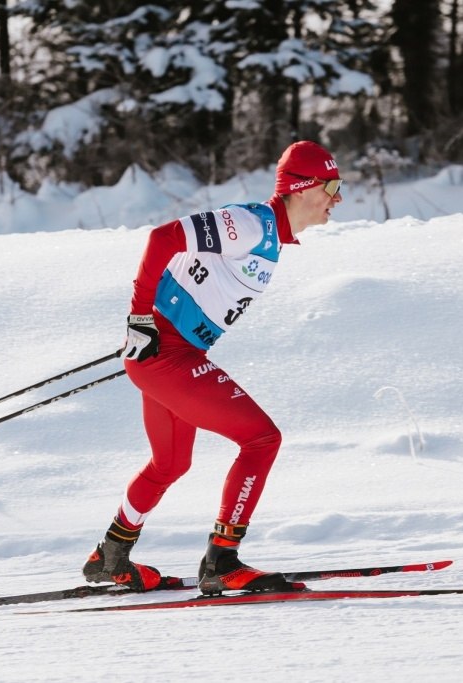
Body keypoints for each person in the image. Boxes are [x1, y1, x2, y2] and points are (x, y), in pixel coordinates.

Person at [82, 140, 343, 595]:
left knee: (170, 463)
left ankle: (111, 555)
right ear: (302, 188)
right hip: (165, 354)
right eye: (332, 185)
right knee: (262, 439)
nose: (338, 198)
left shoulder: (270, 238)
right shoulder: (249, 224)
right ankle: (222, 560)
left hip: (169, 354)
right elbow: (161, 238)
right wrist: (141, 317)